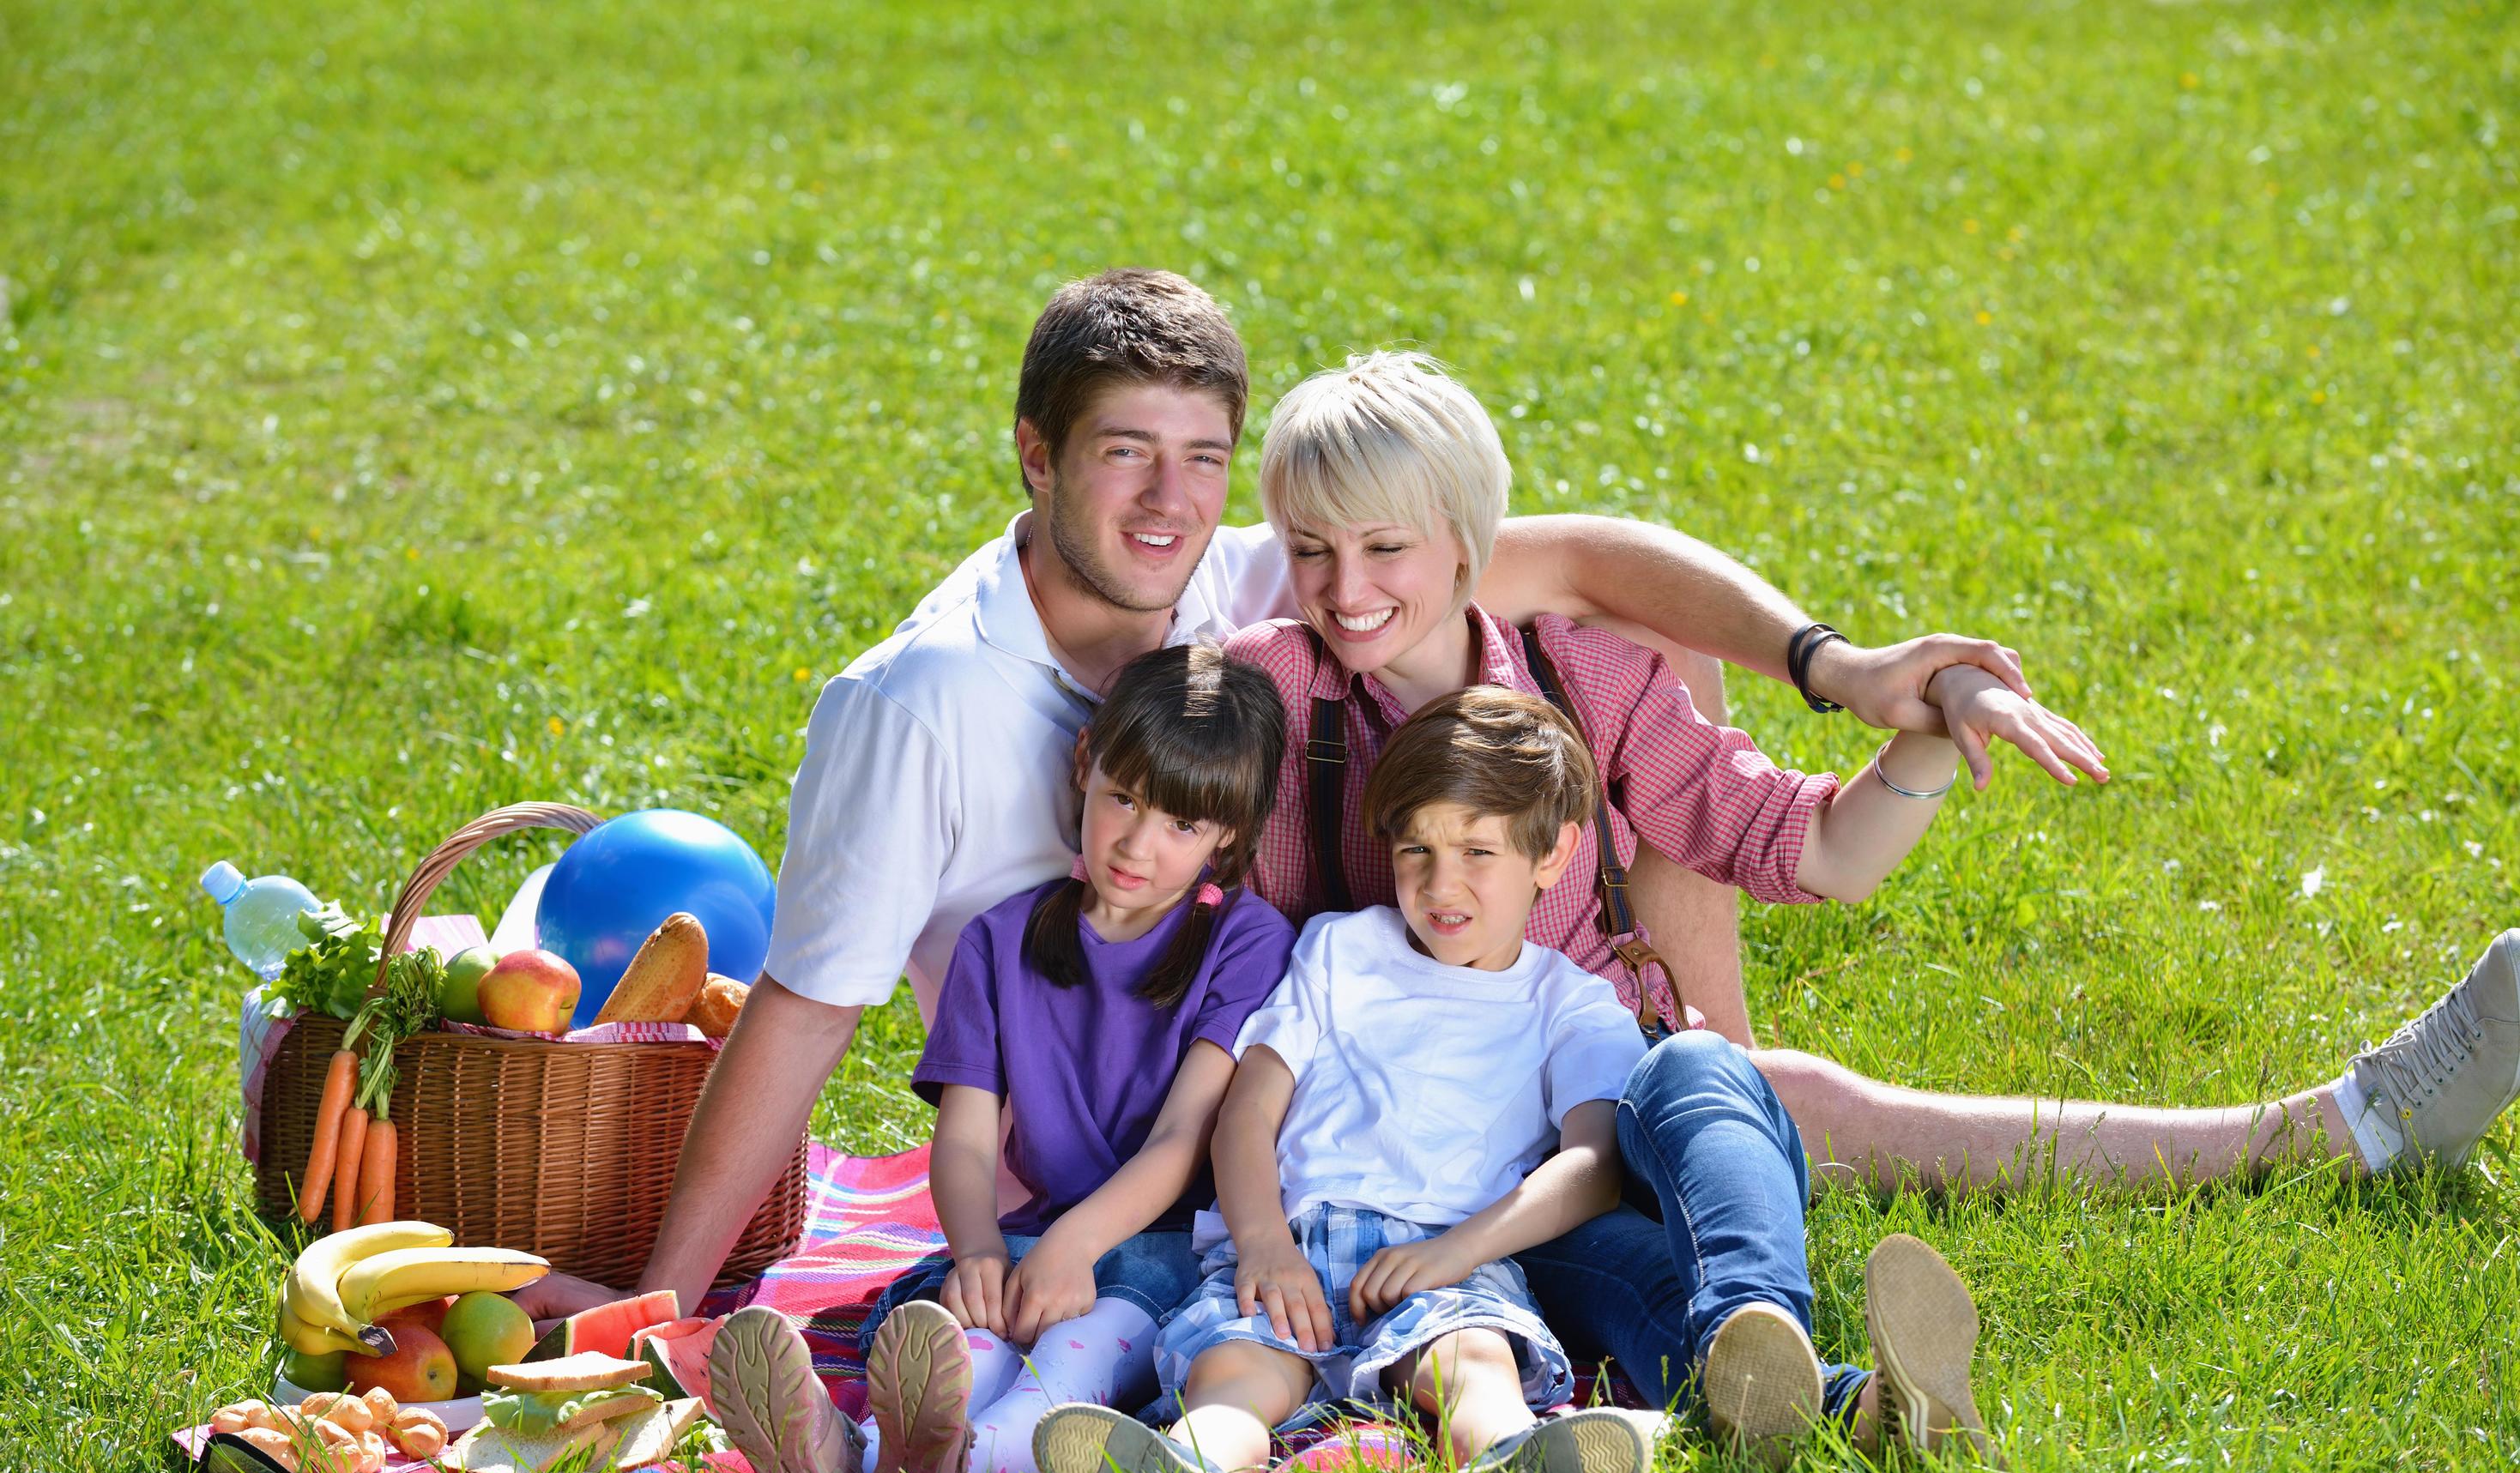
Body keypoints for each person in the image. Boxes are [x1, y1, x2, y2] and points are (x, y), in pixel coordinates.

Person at [514, 268, 2062, 1329]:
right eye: (1126, 454)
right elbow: (805, 1003)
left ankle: (1775, 1299)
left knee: (1696, 1095)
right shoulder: (952, 699)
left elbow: (1598, 565)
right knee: (1624, 1217)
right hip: (1235, 1139)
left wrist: (1853, 675)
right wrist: (660, 1296)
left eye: (1202, 460)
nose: (1170, 504)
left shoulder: (1283, 582)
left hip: (1482, 1055)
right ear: (1034, 456)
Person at [1219, 349, 2520, 1410]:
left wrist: (1932, 731)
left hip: (1580, 1103)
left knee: (1714, 1075)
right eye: (1310, 550)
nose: (1343, 589)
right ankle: (1824, 1389)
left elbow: (1813, 849)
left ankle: (2328, 1128)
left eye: (1381, 550)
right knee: (1700, 1172)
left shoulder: (1582, 678)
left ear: (1465, 546)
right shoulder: (1269, 693)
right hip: (1406, 1144)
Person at [1031, 690, 1996, 1473]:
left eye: (1478, 854)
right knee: (1235, 1376)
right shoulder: (1340, 948)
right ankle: (1187, 1472)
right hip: (1302, 1239)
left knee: (1474, 1370)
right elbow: (1248, 1111)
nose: (1440, 886)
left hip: (1455, 1249)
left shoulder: (1569, 1001)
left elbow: (1591, 1159)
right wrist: (1263, 1242)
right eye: (1415, 851)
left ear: (1554, 853)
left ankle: (1523, 1463)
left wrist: (1461, 1247)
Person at [707, 643, 1297, 1473]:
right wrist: (979, 1245)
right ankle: (851, 1446)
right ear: (1085, 764)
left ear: (1228, 836)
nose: (1137, 843)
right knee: (964, 1344)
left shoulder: (1245, 941)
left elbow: (1184, 1136)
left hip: (1164, 1251)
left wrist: (1079, 1243)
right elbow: (969, 1136)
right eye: (1123, 798)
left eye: (1181, 825)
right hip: (1031, 1234)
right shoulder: (1001, 938)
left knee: (1068, 1358)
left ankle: (934, 1469)